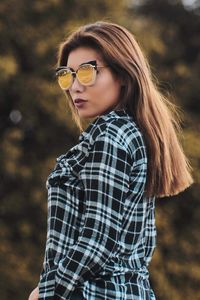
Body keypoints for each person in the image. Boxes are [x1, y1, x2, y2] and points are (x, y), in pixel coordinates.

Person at [28, 21, 193, 300]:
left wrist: (48, 293)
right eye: (68, 75)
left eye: (87, 72)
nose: (75, 87)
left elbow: (97, 239)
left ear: (124, 74)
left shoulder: (111, 135)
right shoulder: (132, 134)